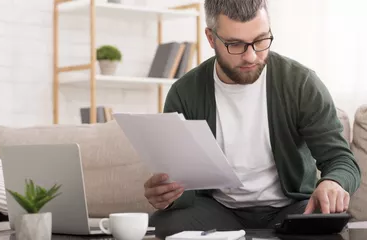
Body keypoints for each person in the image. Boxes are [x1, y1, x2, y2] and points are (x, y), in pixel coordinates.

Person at [145, 0, 361, 237]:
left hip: (291, 207)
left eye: (260, 40)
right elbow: (184, 179)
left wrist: (334, 182)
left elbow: (341, 160)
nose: (251, 56)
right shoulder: (184, 92)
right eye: (235, 44)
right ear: (211, 38)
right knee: (167, 225)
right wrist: (168, 195)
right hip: (218, 210)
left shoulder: (301, 83)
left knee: (324, 223)